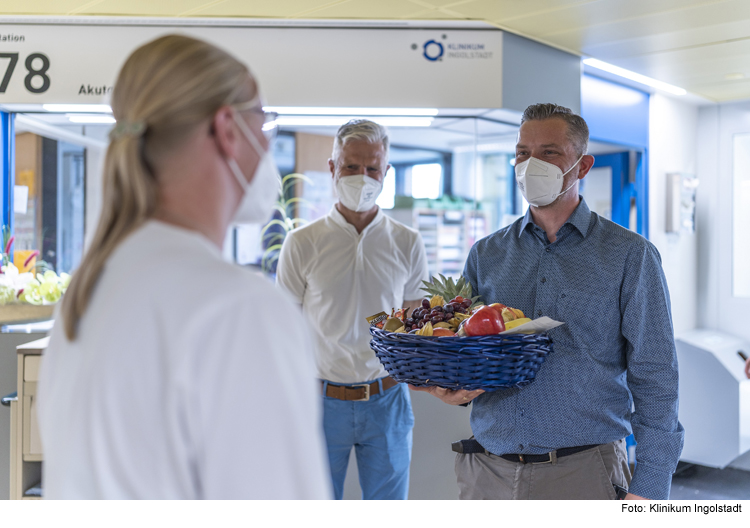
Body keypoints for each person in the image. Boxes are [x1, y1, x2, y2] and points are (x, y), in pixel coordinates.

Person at [36, 35, 331, 499]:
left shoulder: (88, 293)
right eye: (265, 123)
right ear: (227, 130)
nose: (268, 145)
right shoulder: (239, 310)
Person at [413, 103, 684, 500]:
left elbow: (656, 373)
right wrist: (455, 389)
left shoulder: (629, 255)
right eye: (523, 153)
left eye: (549, 153)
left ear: (583, 165)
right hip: (488, 471)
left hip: (584, 472)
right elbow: (468, 350)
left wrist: (652, 485)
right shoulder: (486, 254)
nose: (530, 164)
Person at [276, 119, 428, 500]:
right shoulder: (301, 243)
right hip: (320, 403)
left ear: (386, 172)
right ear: (332, 168)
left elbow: (415, 326)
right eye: (351, 167)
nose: (362, 177)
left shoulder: (407, 242)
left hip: (387, 400)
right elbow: (285, 330)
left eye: (372, 168)